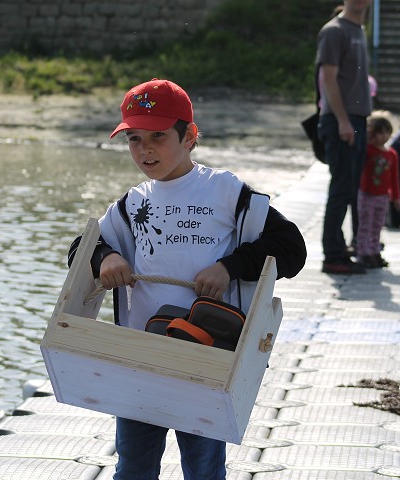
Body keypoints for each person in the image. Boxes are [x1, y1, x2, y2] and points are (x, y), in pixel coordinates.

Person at [67, 78, 306, 480]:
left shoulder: (226, 191)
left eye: (158, 136)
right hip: (139, 356)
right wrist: (104, 257)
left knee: (204, 468)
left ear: (190, 135)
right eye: (134, 139)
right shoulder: (131, 204)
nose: (145, 149)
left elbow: (291, 247)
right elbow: (80, 248)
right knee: (134, 466)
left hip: (206, 356)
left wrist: (231, 266)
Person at [315, 0, 373, 275]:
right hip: (341, 120)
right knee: (340, 190)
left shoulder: (359, 29)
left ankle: (346, 248)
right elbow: (329, 79)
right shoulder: (334, 31)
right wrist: (342, 120)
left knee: (350, 189)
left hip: (356, 119)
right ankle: (333, 254)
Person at [357, 112, 400, 268]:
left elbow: (394, 178)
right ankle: (363, 253)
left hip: (382, 196)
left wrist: (396, 196)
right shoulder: (367, 151)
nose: (383, 137)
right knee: (365, 226)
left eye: (386, 132)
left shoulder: (391, 154)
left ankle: (375, 251)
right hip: (366, 193)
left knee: (377, 226)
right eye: (379, 133)